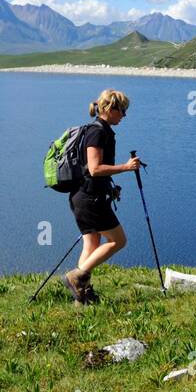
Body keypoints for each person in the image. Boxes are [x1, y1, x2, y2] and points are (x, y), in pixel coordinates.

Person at [64, 89, 142, 305]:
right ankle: (77, 276)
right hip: (90, 199)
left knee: (91, 244)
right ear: (110, 108)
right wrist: (126, 167)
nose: (124, 115)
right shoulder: (98, 132)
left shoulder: (98, 129)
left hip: (84, 196)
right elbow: (95, 168)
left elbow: (94, 172)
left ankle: (82, 296)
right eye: (122, 110)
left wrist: (110, 186)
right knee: (118, 240)